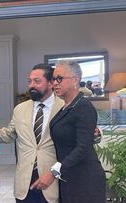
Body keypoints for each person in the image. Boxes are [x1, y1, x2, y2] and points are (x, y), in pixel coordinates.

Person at [0, 64, 64, 203]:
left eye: (37, 81)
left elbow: (78, 137)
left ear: (51, 83)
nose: (31, 85)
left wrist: (96, 134)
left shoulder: (64, 106)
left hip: (53, 180)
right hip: (25, 182)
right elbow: (10, 134)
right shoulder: (20, 109)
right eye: (30, 81)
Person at [49, 59, 106, 203]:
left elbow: (83, 147)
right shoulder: (66, 107)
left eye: (59, 78)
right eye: (54, 79)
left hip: (85, 180)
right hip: (70, 177)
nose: (55, 83)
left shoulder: (84, 107)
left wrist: (55, 171)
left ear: (75, 80)